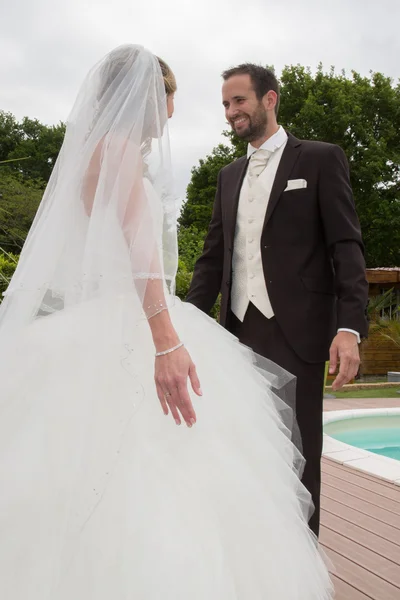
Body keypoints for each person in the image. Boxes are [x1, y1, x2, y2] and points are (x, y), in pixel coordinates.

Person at [0, 45, 333, 599]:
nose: (172, 112)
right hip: (136, 325)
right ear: (151, 97)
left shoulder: (94, 153)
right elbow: (139, 257)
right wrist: (165, 342)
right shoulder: (120, 152)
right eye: (169, 97)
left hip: (97, 324)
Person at [187, 63, 369, 537]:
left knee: (300, 458)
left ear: (270, 99)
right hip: (237, 337)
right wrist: (184, 324)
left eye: (239, 101)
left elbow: (346, 248)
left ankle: (302, 570)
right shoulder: (229, 176)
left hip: (301, 334)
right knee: (245, 455)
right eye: (225, 104)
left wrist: (349, 328)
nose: (230, 113)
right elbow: (211, 262)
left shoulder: (320, 159)